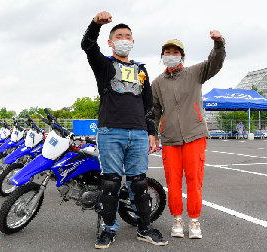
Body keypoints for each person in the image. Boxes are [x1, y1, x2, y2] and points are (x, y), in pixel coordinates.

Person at [81, 11, 168, 249]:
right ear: (110, 42)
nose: (124, 39)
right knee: (110, 182)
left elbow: (148, 104)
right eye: (119, 35)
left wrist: (152, 133)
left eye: (128, 35)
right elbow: (87, 45)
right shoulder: (104, 66)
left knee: (139, 182)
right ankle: (109, 229)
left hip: (139, 133)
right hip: (110, 131)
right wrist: (95, 24)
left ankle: (145, 227)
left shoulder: (141, 70)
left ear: (132, 41)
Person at [152, 32, 226, 239]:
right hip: (169, 138)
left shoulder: (195, 72)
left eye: (175, 52)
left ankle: (194, 221)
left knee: (194, 180)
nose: (171, 55)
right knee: (173, 182)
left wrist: (218, 42)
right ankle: (177, 220)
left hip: (195, 135)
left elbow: (216, 62)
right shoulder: (157, 83)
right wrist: (153, 135)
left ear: (182, 56)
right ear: (162, 56)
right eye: (167, 52)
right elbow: (155, 111)